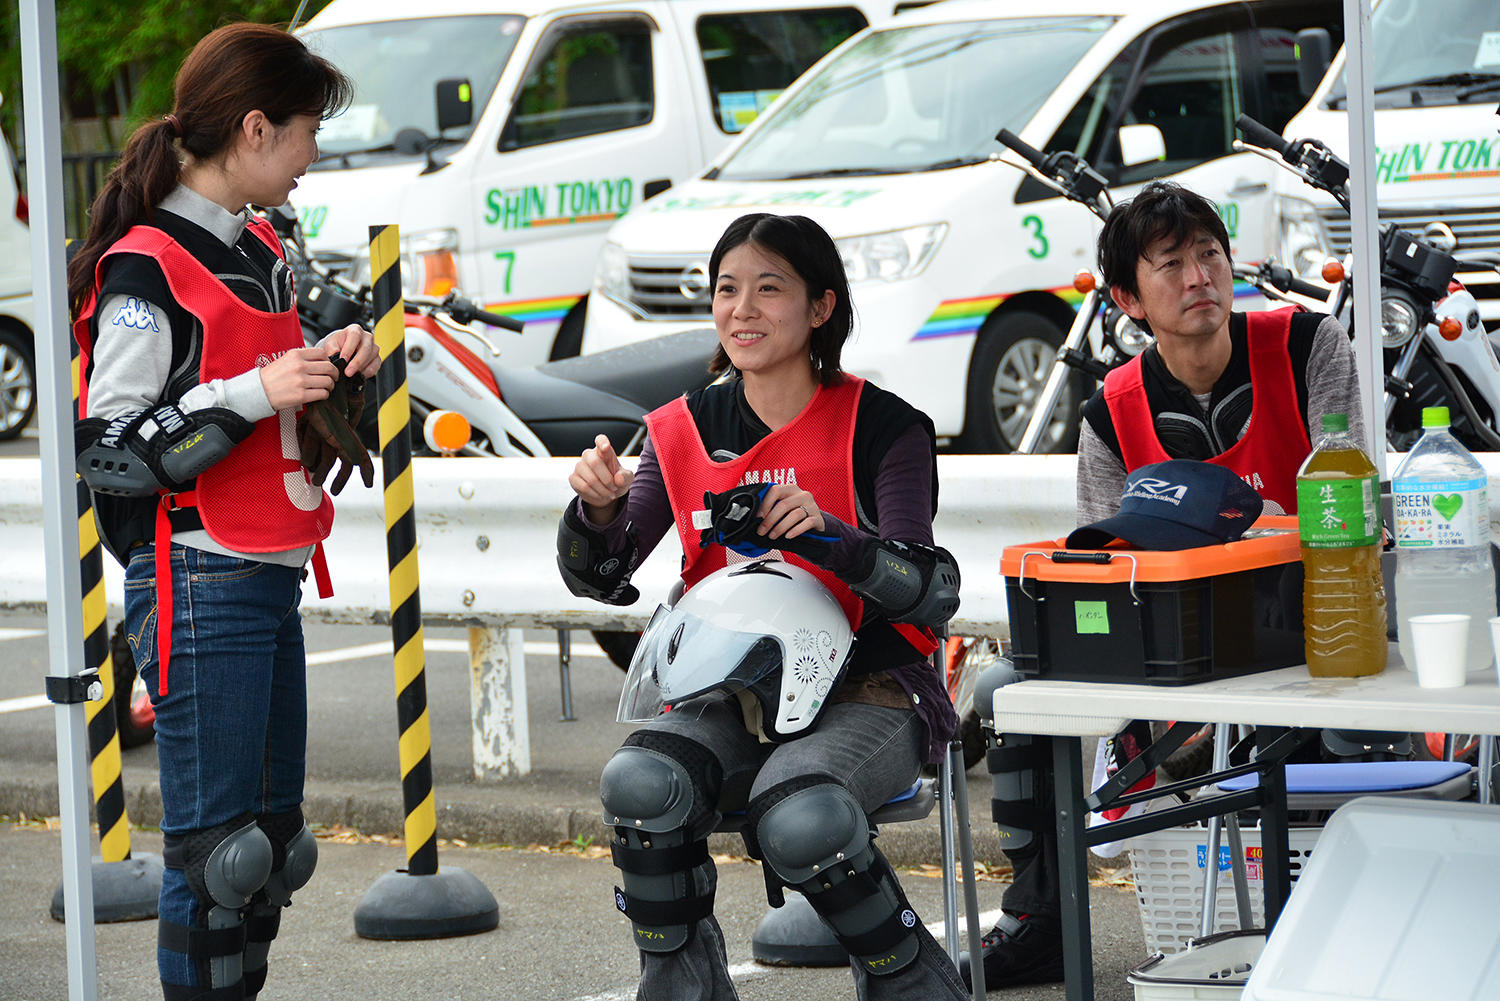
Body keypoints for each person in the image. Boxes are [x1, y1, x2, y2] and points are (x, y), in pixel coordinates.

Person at [558, 212, 968, 1001]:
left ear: (821, 306)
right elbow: (601, 572)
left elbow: (930, 586)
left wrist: (834, 539)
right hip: (732, 691)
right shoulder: (681, 428)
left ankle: (915, 983)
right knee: (642, 782)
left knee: (801, 810)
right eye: (726, 290)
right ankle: (684, 986)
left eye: (768, 288)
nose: (741, 308)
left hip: (872, 686)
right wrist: (597, 513)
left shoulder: (885, 426)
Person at [966, 180, 1365, 990]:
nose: (1200, 278)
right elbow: (1104, 573)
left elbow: (1351, 497)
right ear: (1128, 298)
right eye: (1172, 263)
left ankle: (1350, 926)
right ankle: (1042, 915)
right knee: (1009, 683)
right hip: (1174, 658)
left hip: (1309, 629)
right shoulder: (1111, 411)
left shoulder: (1307, 344)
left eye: (1211, 255)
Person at [68, 23, 376, 1001]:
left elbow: (268, 392)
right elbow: (110, 453)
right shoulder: (146, 266)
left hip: (263, 571)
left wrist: (338, 358)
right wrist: (256, 389)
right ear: (253, 128)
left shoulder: (261, 243)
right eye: (305, 132)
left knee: (274, 852)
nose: (314, 153)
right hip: (198, 574)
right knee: (218, 858)